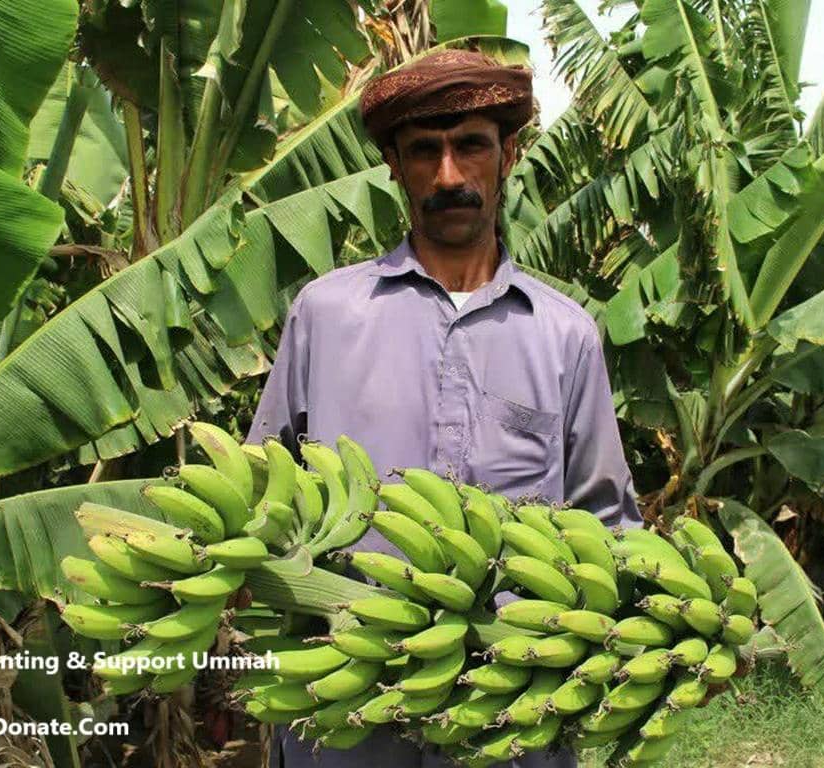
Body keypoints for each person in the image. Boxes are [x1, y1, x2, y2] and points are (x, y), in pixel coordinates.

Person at [244, 47, 640, 768]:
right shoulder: (326, 315)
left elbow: (605, 518)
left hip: (512, 709)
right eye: (424, 152)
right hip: (347, 708)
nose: (449, 176)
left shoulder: (564, 335)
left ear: (510, 153)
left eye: (471, 147)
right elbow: (261, 490)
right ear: (394, 165)